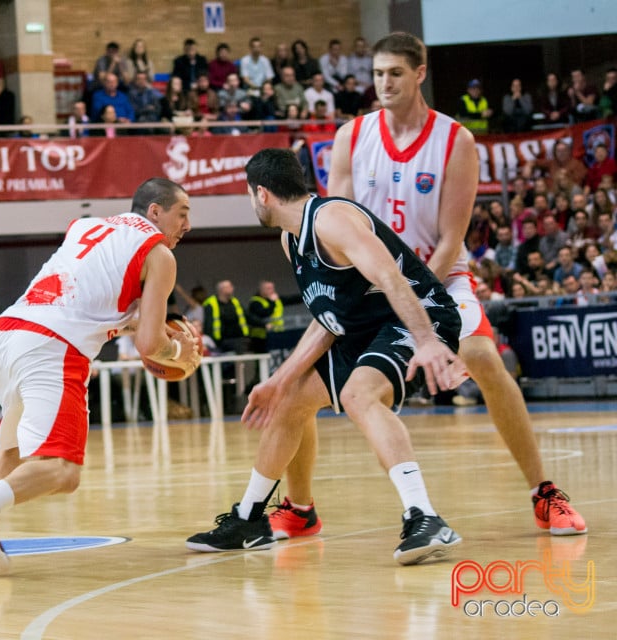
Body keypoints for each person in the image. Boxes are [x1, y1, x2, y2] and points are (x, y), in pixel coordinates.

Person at [270, 31, 586, 541]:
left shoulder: (455, 140)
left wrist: (414, 306)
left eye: (395, 73)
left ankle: (544, 492)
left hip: (439, 277)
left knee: (483, 355)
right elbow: (336, 226)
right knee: (303, 382)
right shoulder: (352, 136)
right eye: (377, 74)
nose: (384, 83)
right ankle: (300, 507)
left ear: (419, 73)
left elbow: (450, 238)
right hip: (371, 285)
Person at [186, 148, 465, 565]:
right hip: (362, 329)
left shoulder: (330, 218)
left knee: (359, 395)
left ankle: (424, 516)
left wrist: (426, 339)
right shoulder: (291, 240)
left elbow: (389, 275)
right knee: (290, 399)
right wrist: (278, 381)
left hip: (416, 315)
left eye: (248, 195)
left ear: (262, 194)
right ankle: (249, 519)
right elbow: (327, 322)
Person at [0, 178, 199, 572]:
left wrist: (137, 324)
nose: (187, 226)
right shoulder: (160, 255)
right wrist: (183, 353)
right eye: (183, 214)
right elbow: (150, 346)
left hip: (8, 333)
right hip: (52, 347)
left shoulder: (89, 226)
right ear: (155, 211)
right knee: (63, 470)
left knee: (11, 452)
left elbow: (92, 298)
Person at [202, 280, 249, 353]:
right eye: (228, 287)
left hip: (238, 337)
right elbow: (208, 324)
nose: (231, 288)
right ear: (221, 289)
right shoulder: (211, 303)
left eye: (231, 286)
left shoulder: (235, 302)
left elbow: (247, 315)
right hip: (219, 340)